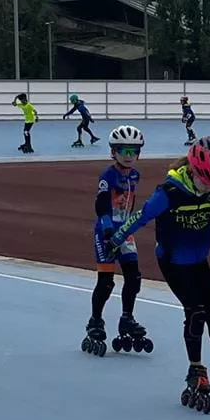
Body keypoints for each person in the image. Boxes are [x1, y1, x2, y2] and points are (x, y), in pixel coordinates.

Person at [106, 135, 210, 414]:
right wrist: (116, 238)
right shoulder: (169, 193)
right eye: (208, 180)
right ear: (195, 170)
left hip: (198, 260)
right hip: (173, 262)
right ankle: (196, 368)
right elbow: (141, 217)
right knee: (195, 311)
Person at [82, 125, 153, 357]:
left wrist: (128, 227)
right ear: (113, 152)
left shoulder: (135, 175)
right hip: (107, 231)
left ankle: (127, 317)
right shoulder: (108, 176)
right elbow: (101, 205)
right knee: (106, 281)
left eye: (133, 150)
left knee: (134, 276)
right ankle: (95, 320)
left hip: (125, 231)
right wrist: (107, 229)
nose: (128, 155)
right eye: (123, 150)